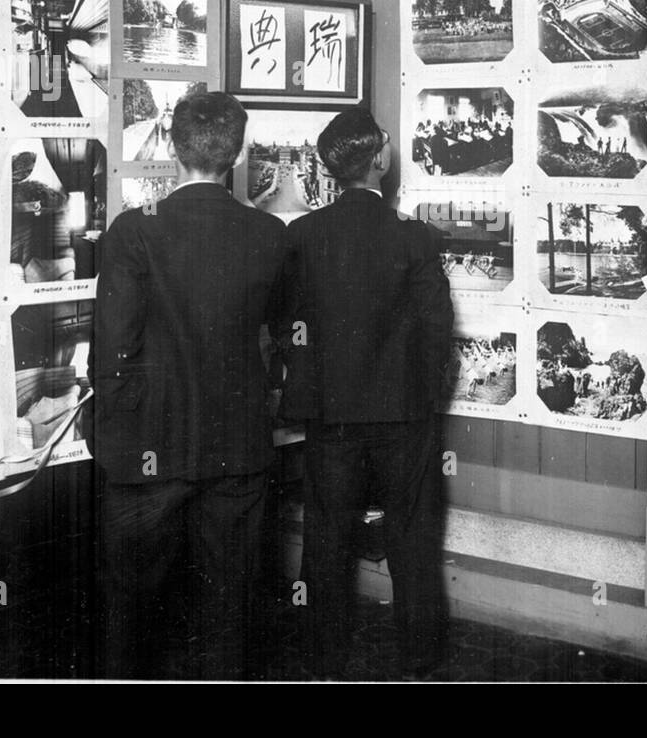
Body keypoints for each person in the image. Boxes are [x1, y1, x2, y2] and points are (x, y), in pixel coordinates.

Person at [90, 91, 286, 680]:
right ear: (239, 151)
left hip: (149, 448)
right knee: (231, 603)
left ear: (172, 147)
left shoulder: (133, 232)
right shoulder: (269, 233)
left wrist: (118, 432)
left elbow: (113, 347)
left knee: (132, 607)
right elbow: (269, 340)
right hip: (237, 446)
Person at [279, 107, 453, 679]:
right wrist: (425, 404)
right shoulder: (417, 239)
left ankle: (320, 658)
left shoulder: (302, 236)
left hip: (331, 417)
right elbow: (435, 332)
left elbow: (288, 326)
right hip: (406, 418)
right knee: (412, 542)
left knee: (326, 542)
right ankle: (421, 662)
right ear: (379, 159)